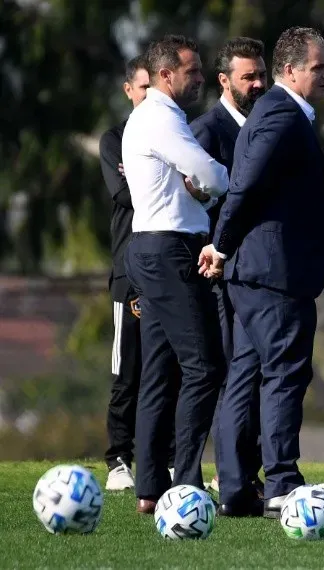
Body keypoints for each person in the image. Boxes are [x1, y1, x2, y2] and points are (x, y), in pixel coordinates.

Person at [199, 26, 324, 518]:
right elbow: (245, 185)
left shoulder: (276, 111)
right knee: (284, 372)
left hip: (258, 272)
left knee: (246, 373)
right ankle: (281, 482)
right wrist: (221, 244)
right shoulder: (281, 112)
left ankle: (237, 488)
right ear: (290, 70)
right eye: (319, 67)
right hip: (273, 272)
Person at [121, 34, 229, 514]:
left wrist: (201, 188)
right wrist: (215, 183)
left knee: (161, 372)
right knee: (205, 367)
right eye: (193, 71)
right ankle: (185, 481)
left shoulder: (152, 117)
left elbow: (194, 182)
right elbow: (210, 175)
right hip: (169, 251)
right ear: (165, 75)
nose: (201, 78)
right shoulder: (161, 118)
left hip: (153, 248)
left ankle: (150, 487)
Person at [190, 36, 268, 495]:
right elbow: (197, 207)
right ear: (224, 80)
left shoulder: (268, 124)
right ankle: (230, 474)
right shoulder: (207, 131)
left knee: (254, 373)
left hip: (256, 273)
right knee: (233, 373)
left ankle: (245, 472)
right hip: (221, 275)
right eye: (248, 77)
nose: (258, 84)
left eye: (262, 75)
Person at [98, 56, 178, 491]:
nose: (149, 94)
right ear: (129, 90)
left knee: (172, 369)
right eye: (142, 87)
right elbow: (127, 193)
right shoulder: (115, 139)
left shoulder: (175, 131)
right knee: (127, 369)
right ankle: (117, 459)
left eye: (154, 86)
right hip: (128, 272)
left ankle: (170, 459)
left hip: (169, 268)